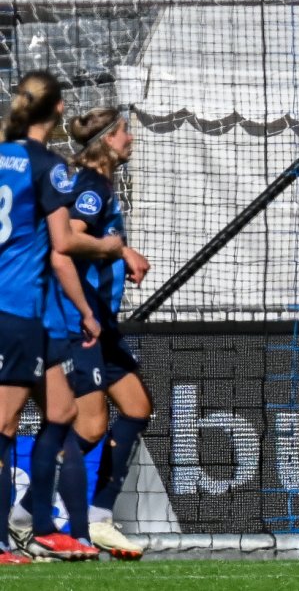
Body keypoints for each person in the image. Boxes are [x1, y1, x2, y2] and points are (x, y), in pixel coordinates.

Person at [17, 108, 150, 560]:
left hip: (102, 324)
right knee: (88, 424)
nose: (130, 139)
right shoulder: (91, 188)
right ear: (109, 139)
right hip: (81, 323)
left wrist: (122, 250)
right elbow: (68, 241)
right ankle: (27, 514)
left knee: (136, 407)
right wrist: (117, 249)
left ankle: (99, 515)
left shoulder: (98, 184)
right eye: (125, 132)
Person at [0, 72, 122, 563]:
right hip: (18, 306)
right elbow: (64, 244)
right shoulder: (47, 166)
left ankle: (46, 527)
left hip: (34, 311)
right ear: (56, 110)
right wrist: (111, 246)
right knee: (5, 423)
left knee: (63, 414)